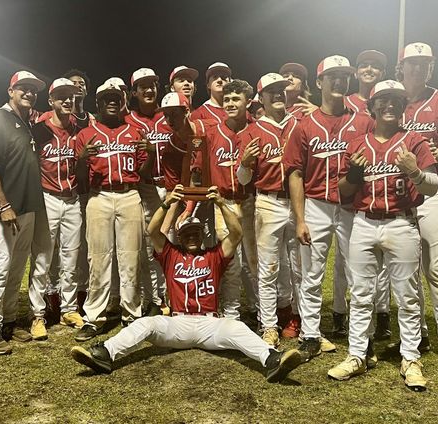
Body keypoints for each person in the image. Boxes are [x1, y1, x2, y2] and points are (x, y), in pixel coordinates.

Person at [69, 185, 303, 383]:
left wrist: (221, 203)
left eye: (196, 233)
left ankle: (272, 360)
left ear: (202, 235)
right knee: (144, 324)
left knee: (238, 328)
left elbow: (236, 233)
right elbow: (152, 232)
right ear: (179, 236)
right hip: (177, 322)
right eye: (187, 234)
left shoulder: (214, 255)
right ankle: (104, 354)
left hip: (210, 323)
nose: (192, 237)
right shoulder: (171, 254)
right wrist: (167, 204)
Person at [329, 80, 438, 391]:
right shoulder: (357, 143)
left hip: (401, 223)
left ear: (404, 106)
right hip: (363, 222)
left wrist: (415, 171)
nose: (390, 105)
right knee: (361, 293)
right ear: (372, 106)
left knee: (407, 295)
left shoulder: (414, 141)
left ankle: (410, 357)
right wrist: (353, 174)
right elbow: (342, 191)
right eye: (383, 100)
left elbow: (432, 186)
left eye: (396, 100)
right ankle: (356, 355)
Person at [284, 55, 374, 361]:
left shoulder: (364, 121)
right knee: (311, 273)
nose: (339, 82)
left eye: (344, 77)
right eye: (332, 77)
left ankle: (361, 335)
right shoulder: (304, 125)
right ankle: (311, 333)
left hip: (353, 207)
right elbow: (295, 173)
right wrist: (299, 219)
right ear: (320, 82)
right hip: (317, 206)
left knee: (358, 273)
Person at [396, 42, 438, 367]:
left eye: (424, 63)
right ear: (402, 67)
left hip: (434, 187)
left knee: (435, 267)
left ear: (431, 68)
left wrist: (424, 155)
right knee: (407, 266)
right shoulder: (392, 100)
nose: (418, 68)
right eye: (412, 63)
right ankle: (417, 333)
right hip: (398, 190)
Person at [72, 79, 153, 341]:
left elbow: (144, 174)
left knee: (131, 258)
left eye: (116, 98)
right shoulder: (86, 134)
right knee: (98, 257)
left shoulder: (134, 132)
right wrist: (82, 160)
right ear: (98, 103)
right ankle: (94, 316)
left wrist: (150, 155)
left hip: (129, 195)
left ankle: (132, 313)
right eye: (106, 98)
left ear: (123, 102)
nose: (112, 102)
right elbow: (81, 182)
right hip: (99, 197)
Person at [0, 70, 47, 355]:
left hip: (26, 207)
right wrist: (4, 206)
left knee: (17, 266)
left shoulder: (24, 121)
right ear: (11, 90)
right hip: (5, 211)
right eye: (23, 88)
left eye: (33, 89)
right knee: (0, 266)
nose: (29, 93)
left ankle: (7, 320)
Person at [236, 73, 300, 348]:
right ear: (260, 98)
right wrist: (246, 164)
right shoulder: (251, 131)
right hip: (268, 201)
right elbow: (242, 180)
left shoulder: (298, 123)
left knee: (299, 266)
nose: (277, 95)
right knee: (268, 267)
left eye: (281, 90)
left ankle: (297, 317)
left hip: (298, 201)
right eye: (271, 92)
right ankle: (268, 323)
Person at [28, 77, 85, 339]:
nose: (67, 99)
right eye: (61, 95)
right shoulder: (38, 128)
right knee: (42, 259)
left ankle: (69, 308)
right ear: (50, 100)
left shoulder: (79, 127)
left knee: (70, 258)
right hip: (48, 198)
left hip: (72, 199)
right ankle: (37, 314)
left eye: (70, 95)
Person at [197, 79, 258, 321]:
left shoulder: (256, 130)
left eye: (236, 99)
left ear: (248, 102)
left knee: (254, 259)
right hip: (223, 203)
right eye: (227, 99)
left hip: (251, 201)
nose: (230, 103)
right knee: (231, 260)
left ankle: (259, 308)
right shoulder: (213, 132)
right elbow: (198, 168)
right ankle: (231, 311)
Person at [347, 50, 393, 340]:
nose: (369, 69)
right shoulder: (346, 101)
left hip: (384, 184)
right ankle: (350, 316)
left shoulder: (389, 101)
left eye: (376, 65)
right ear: (356, 71)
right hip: (355, 187)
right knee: (354, 264)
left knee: (386, 262)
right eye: (363, 64)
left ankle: (383, 313)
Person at [125, 67, 171, 316]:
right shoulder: (129, 120)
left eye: (152, 84)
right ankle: (153, 298)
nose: (149, 89)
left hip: (172, 187)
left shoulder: (169, 116)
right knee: (149, 247)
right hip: (147, 187)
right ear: (134, 92)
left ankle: (173, 294)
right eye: (142, 86)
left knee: (171, 242)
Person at [346, 50, 387, 115]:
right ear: (355, 74)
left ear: (383, 75)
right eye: (364, 66)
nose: (369, 69)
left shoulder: (389, 106)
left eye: (375, 66)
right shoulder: (344, 103)